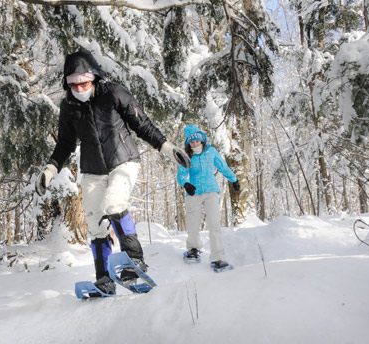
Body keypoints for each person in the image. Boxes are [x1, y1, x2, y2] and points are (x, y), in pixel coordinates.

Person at [36, 49, 190, 295]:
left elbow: (142, 124)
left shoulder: (114, 94)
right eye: (73, 84)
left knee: (115, 203)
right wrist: (49, 170)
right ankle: (104, 278)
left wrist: (167, 148)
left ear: (94, 77)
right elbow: (65, 143)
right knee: (96, 223)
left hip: (123, 160)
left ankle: (134, 259)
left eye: (84, 82)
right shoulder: (69, 107)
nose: (79, 88)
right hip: (92, 169)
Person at [176, 124, 240, 270]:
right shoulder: (186, 156)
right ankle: (193, 249)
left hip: (211, 190)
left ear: (202, 140)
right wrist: (186, 184)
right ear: (188, 143)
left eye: (197, 141)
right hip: (193, 193)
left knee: (214, 225)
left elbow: (222, 166)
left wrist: (234, 179)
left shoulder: (211, 152)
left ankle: (218, 258)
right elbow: (180, 175)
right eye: (192, 142)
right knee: (193, 224)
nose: (195, 144)